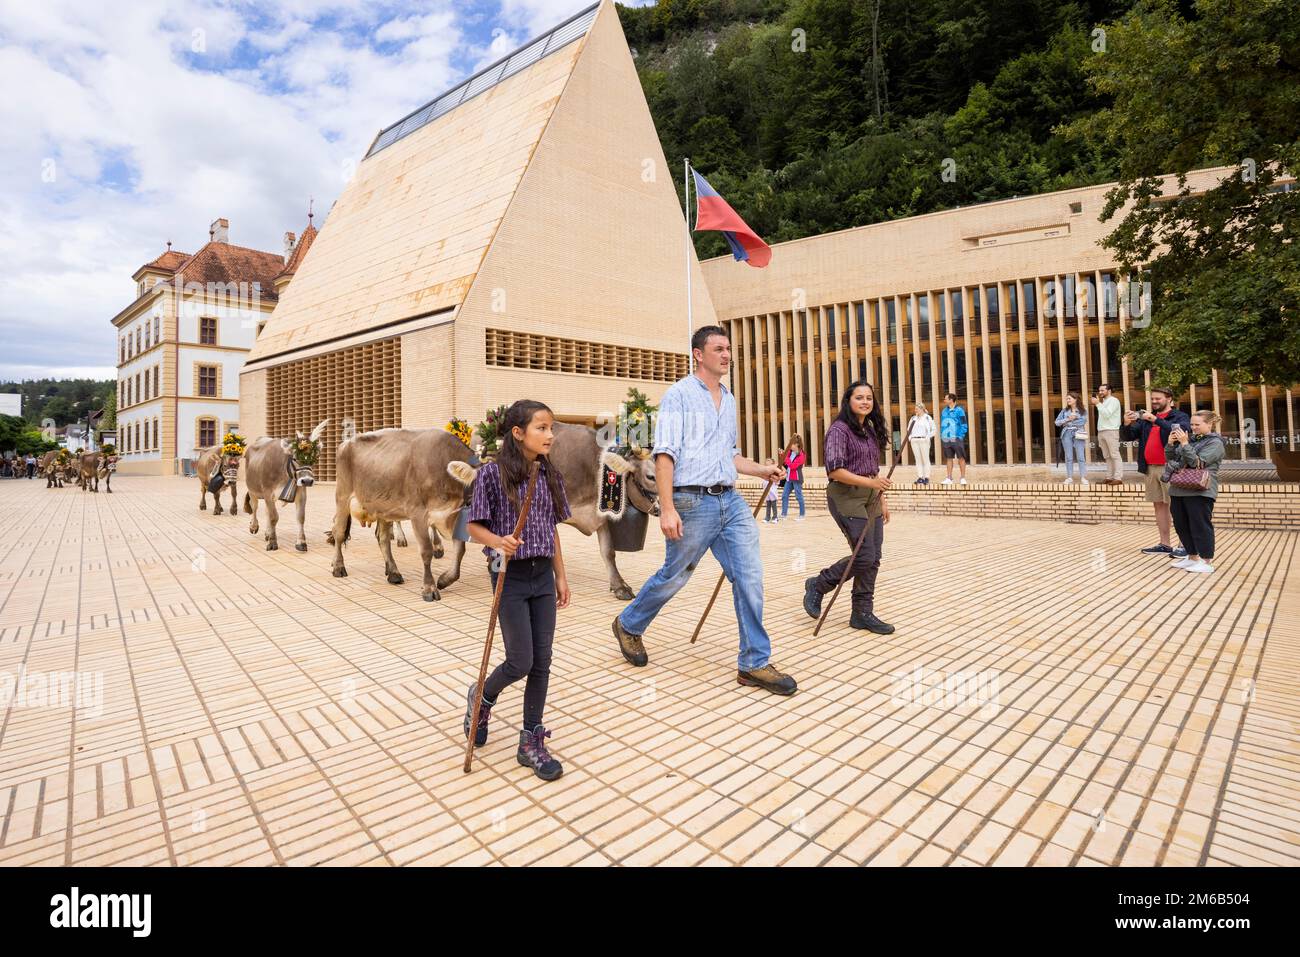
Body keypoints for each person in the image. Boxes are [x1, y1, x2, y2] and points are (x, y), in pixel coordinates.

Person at [612, 325, 796, 696]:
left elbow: (727, 454)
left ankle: (754, 663)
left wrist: (761, 470)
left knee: (749, 577)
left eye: (729, 349)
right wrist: (666, 508)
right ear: (699, 354)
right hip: (691, 502)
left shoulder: (728, 399)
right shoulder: (678, 396)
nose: (727, 355)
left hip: (730, 501)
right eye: (719, 349)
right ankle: (629, 624)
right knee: (675, 576)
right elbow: (665, 455)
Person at [463, 399, 572, 781]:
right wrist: (499, 540)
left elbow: (553, 529)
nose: (550, 435)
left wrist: (561, 575)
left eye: (551, 427)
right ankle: (483, 697)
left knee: (542, 660)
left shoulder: (549, 476)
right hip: (507, 574)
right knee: (519, 660)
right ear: (518, 433)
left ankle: (530, 740)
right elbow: (473, 527)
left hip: (543, 575)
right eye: (541, 428)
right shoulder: (491, 475)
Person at [804, 381, 895, 633]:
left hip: (870, 496)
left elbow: (873, 469)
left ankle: (862, 613)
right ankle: (819, 584)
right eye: (859, 397)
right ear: (849, 401)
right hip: (845, 495)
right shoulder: (839, 430)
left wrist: (881, 497)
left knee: (873, 557)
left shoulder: (870, 430)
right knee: (863, 555)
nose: (865, 402)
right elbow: (835, 469)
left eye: (869, 398)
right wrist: (871, 482)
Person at [1121, 387, 1191, 556]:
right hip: (1150, 468)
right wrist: (1126, 423)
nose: (1154, 402)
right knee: (1159, 505)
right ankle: (1165, 544)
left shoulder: (1179, 416)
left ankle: (1185, 545)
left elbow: (1180, 433)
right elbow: (1128, 436)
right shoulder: (1146, 419)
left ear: (1169, 399)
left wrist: (1155, 420)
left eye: (1158, 399)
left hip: (1172, 468)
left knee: (1178, 507)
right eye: (1152, 399)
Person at [1167, 410, 1226, 574]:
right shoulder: (1190, 439)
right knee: (1181, 524)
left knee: (1200, 525)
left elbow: (1197, 464)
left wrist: (1185, 444)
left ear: (1209, 424)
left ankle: (1206, 561)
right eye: (1192, 424)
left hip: (1201, 489)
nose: (1193, 427)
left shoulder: (1216, 443)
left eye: (1197, 424)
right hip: (1179, 488)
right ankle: (1192, 557)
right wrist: (1171, 444)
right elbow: (1172, 460)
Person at [1092, 383, 1124, 484]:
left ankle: (1118, 478)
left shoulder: (1114, 401)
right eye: (1099, 390)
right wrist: (1099, 403)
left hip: (1111, 430)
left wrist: (1097, 403)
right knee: (1107, 456)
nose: (1100, 392)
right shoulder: (1104, 402)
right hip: (1101, 431)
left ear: (1109, 391)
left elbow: (1107, 414)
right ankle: (1109, 477)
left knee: (1114, 454)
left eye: (1102, 390)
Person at [1055, 393, 1089, 485]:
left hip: (1079, 433)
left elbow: (1083, 421)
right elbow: (1057, 422)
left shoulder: (1083, 411)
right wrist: (1068, 419)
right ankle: (1069, 477)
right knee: (1068, 457)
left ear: (1076, 399)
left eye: (1069, 398)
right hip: (1066, 434)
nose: (1068, 400)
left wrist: (1070, 421)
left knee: (1081, 456)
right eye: (1067, 399)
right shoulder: (1064, 411)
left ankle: (1083, 477)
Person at [940, 393, 968, 485]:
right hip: (946, 438)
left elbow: (964, 424)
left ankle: (963, 478)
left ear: (951, 400)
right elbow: (942, 424)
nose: (944, 400)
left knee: (961, 457)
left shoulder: (960, 410)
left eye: (946, 399)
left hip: (957, 438)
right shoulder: (944, 411)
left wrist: (960, 435)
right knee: (949, 458)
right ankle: (949, 478)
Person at [906, 403, 936, 485]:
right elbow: (908, 429)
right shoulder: (913, 418)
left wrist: (928, 436)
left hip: (924, 440)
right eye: (915, 409)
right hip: (914, 440)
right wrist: (910, 437)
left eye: (917, 409)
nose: (915, 410)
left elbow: (934, 430)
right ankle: (920, 477)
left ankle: (926, 477)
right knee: (918, 459)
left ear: (922, 409)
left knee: (925, 459)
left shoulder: (927, 418)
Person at [780, 435, 806, 520]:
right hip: (789, 478)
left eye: (792, 444)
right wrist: (782, 455)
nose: (790, 445)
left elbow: (792, 466)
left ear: (797, 444)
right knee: (784, 495)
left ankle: (802, 515)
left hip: (797, 478)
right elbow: (785, 460)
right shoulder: (790, 452)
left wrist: (785, 457)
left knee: (798, 496)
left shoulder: (801, 455)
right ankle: (784, 514)